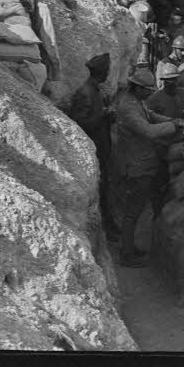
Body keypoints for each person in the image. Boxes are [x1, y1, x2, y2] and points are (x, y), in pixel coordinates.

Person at [113, 65, 184, 267]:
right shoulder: (128, 107)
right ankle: (127, 255)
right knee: (132, 212)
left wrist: (172, 120)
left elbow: (151, 115)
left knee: (135, 210)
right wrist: (173, 126)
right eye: (147, 90)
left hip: (141, 162)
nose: (150, 94)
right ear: (137, 88)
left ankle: (130, 249)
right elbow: (148, 131)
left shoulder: (136, 101)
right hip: (136, 165)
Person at [65, 53, 118, 237]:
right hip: (92, 150)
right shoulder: (85, 93)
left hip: (101, 148)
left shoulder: (96, 91)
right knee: (100, 191)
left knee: (106, 189)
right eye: (107, 71)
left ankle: (109, 226)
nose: (108, 74)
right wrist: (103, 116)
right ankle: (106, 231)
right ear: (102, 72)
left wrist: (108, 117)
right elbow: (79, 123)